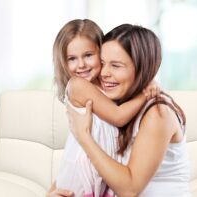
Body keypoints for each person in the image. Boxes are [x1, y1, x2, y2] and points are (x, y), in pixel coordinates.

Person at [66, 24, 190, 197]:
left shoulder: (157, 114)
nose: (104, 73)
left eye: (116, 66)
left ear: (142, 68)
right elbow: (76, 160)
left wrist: (84, 136)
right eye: (102, 63)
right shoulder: (116, 106)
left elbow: (130, 189)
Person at [50, 19, 159, 197]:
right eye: (72, 59)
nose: (81, 64)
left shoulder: (108, 86)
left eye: (88, 55)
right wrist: (146, 93)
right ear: (63, 62)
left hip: (102, 181)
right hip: (79, 182)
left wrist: (146, 80)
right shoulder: (77, 86)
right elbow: (118, 116)